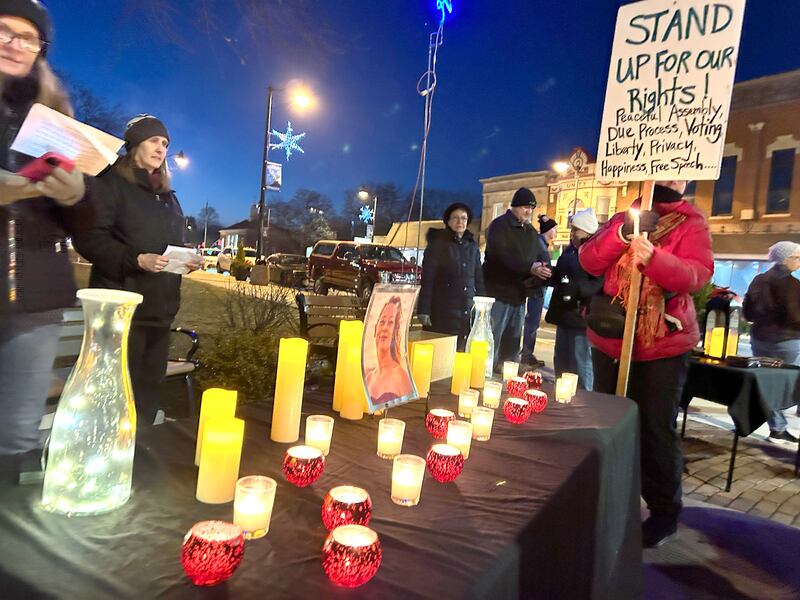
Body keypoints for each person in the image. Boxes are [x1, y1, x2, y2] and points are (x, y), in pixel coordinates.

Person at [579, 180, 713, 548]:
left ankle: (663, 512)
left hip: (662, 344)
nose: (668, 179)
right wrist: (623, 233)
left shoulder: (692, 223)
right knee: (608, 423)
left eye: (676, 173)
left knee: (655, 428)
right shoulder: (624, 217)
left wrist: (654, 258)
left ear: (684, 179)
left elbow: (697, 274)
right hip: (611, 339)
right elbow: (589, 259)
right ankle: (608, 495)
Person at [0, 0, 87, 473]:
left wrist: (77, 197)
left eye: (27, 37)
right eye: (3, 31)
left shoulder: (54, 115)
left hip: (37, 298)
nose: (15, 44)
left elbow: (85, 226)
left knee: (15, 440)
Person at [71, 115, 201, 425]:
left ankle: (137, 464)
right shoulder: (111, 183)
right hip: (121, 312)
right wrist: (135, 259)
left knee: (145, 403)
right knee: (113, 403)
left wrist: (188, 259)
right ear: (135, 144)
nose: (161, 148)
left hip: (160, 311)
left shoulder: (168, 198)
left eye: (166, 143)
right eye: (154, 140)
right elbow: (89, 239)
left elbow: (171, 245)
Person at [743, 241, 800, 444]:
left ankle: (776, 428)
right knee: (787, 385)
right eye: (797, 257)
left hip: (760, 338)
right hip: (786, 340)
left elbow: (747, 311)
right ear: (786, 258)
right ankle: (778, 428)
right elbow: (795, 316)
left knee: (767, 383)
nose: (799, 262)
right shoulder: (791, 284)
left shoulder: (758, 280)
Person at [483, 187, 546, 371]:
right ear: (515, 206)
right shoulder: (499, 226)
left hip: (518, 295)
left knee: (512, 340)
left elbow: (540, 252)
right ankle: (485, 374)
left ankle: (507, 376)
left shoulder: (530, 231)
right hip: (499, 293)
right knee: (492, 338)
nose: (528, 211)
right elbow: (502, 256)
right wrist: (529, 267)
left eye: (531, 208)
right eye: (525, 207)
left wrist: (544, 267)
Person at [545, 208, 602, 390]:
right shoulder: (570, 251)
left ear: (586, 231)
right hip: (564, 314)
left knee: (580, 362)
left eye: (575, 230)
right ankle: (562, 396)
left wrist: (575, 289)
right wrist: (549, 273)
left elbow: (597, 283)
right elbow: (563, 276)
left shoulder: (595, 252)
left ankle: (583, 400)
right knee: (562, 360)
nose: (572, 234)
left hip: (581, 316)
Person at [417, 202, 485, 350]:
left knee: (461, 351)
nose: (460, 222)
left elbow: (478, 278)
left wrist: (483, 307)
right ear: (448, 221)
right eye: (455, 218)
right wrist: (424, 309)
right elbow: (428, 278)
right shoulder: (438, 244)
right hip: (442, 309)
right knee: (441, 350)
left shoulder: (472, 246)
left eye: (463, 218)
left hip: (465, 309)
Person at [521, 214, 556, 369]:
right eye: (555, 228)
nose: (556, 231)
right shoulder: (540, 245)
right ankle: (527, 355)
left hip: (537, 289)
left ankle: (527, 354)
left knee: (532, 323)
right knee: (531, 323)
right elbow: (540, 268)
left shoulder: (541, 244)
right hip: (536, 290)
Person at [365, 295, 413, 403]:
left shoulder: (401, 377)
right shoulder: (369, 379)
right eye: (382, 322)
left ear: (395, 332)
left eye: (390, 323)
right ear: (375, 328)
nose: (385, 328)